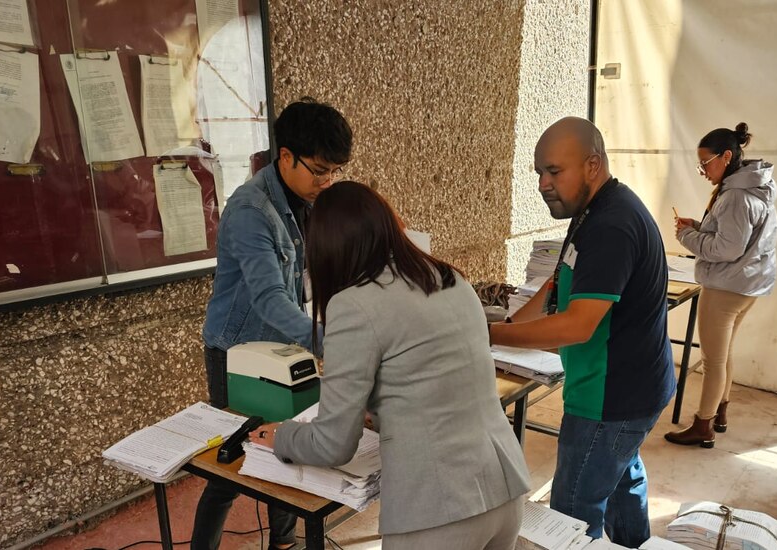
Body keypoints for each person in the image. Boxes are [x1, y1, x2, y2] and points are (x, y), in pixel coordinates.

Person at [248, 181, 531, 550]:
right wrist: (384, 412)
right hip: (503, 489)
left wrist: (281, 436)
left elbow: (332, 445)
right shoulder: (449, 278)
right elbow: (434, 381)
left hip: (439, 509)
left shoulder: (353, 304)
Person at [488, 117, 674, 547]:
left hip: (610, 398)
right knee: (621, 481)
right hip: (631, 388)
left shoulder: (612, 225)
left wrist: (489, 337)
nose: (542, 184)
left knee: (572, 512)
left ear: (592, 165)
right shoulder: (590, 211)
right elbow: (555, 289)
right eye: (538, 172)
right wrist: (506, 326)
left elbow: (576, 325)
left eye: (554, 171)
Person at [194, 99, 352, 550]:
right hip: (239, 352)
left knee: (285, 443)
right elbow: (268, 298)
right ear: (286, 157)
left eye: (335, 171)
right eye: (320, 170)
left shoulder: (306, 199)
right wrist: (327, 341)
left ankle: (283, 543)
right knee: (228, 464)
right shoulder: (251, 211)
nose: (328, 182)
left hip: (288, 343)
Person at [664, 123, 777, 448]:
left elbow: (726, 249)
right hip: (748, 284)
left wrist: (687, 236)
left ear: (726, 156)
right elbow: (737, 237)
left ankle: (703, 425)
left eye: (705, 163)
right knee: (724, 353)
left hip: (726, 286)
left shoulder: (735, 196)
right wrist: (701, 226)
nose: (702, 171)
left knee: (713, 360)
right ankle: (719, 413)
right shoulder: (758, 186)